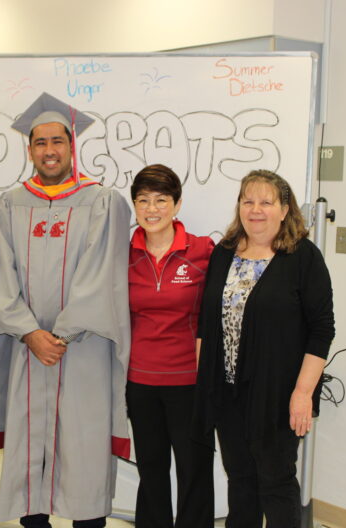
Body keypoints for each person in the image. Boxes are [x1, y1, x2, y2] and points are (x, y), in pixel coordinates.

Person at [0, 92, 131, 528]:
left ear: (72, 146)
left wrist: (60, 336)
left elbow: (101, 276)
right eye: (40, 143)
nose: (49, 151)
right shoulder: (10, 204)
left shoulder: (103, 202)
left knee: (81, 453)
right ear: (29, 149)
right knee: (32, 460)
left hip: (82, 352)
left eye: (57, 142)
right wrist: (30, 333)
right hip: (30, 352)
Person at [192, 169, 335, 528]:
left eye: (266, 202)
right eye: (248, 200)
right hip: (228, 393)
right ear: (239, 206)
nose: (256, 209)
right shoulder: (224, 253)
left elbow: (322, 330)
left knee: (276, 481)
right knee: (240, 479)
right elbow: (205, 323)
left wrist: (303, 393)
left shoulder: (303, 258)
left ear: (284, 209)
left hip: (278, 395)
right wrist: (204, 384)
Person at [126, 164, 215, 528]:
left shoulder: (204, 250)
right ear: (134, 205)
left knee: (194, 473)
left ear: (177, 205)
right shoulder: (122, 252)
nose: (152, 208)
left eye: (162, 199)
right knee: (151, 470)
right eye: (143, 200)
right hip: (141, 381)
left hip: (189, 383)